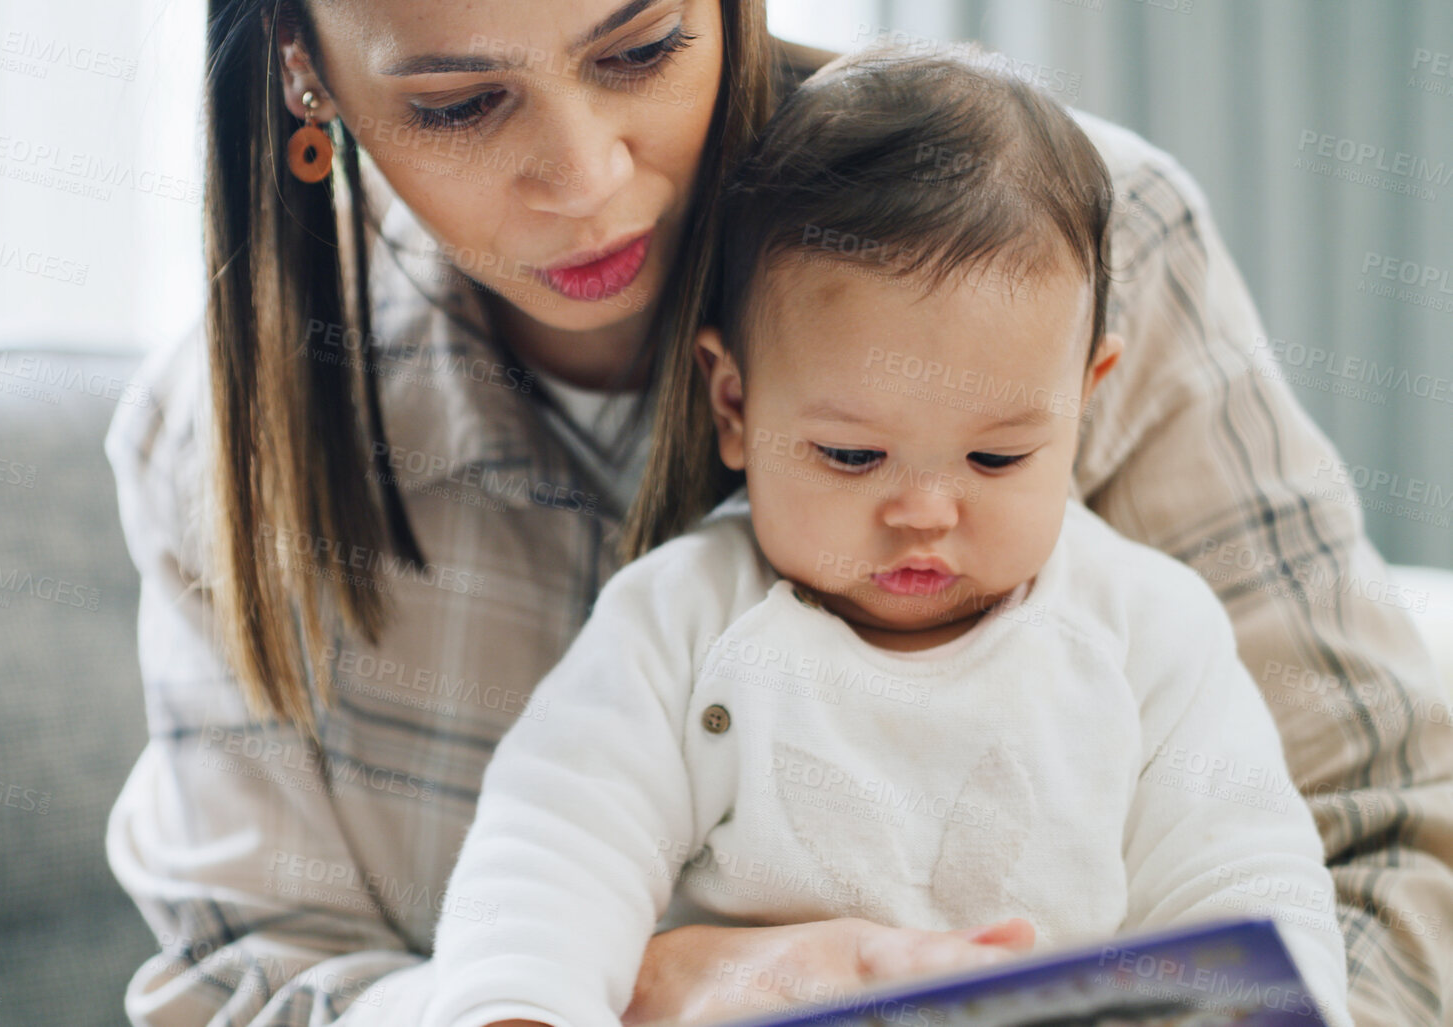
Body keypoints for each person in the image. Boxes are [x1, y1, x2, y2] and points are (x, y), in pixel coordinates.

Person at [103, 1, 1453, 1024]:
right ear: (302, 64)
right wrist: (658, 988)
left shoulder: (1076, 254)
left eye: (636, 50)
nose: (582, 177)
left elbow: (1390, 834)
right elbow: (240, 978)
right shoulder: (214, 444)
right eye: (459, 104)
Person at [420, 44, 1353, 1027]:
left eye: (995, 461)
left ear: (1084, 402)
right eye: (851, 456)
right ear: (734, 403)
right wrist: (518, 1005)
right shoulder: (678, 622)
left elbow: (1244, 872)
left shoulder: (1149, 631)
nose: (923, 513)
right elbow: (556, 844)